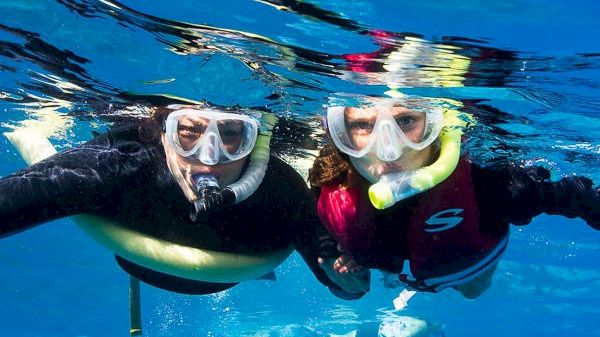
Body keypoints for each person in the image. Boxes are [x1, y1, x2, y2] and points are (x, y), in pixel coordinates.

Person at [0, 103, 358, 333]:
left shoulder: (281, 190)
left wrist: (347, 282)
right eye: (189, 132)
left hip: (234, 266)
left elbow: (344, 281)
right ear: (164, 132)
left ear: (256, 140)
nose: (209, 156)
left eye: (232, 134)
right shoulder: (121, 164)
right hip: (137, 256)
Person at [309, 96, 600, 300]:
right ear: (339, 133)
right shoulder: (332, 177)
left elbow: (573, 195)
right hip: (400, 254)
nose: (389, 150)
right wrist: (335, 252)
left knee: (473, 292)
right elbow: (321, 216)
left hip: (467, 265)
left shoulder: (487, 180)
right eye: (362, 125)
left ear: (436, 126)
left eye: (407, 121)